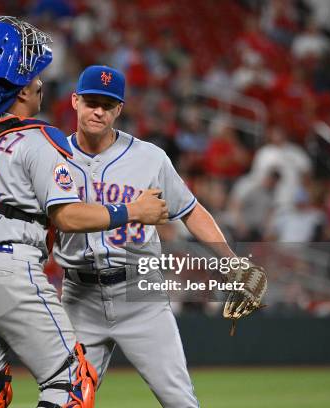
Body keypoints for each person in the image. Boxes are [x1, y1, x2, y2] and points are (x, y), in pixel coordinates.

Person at [0, 17, 168, 408]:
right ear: (21, 90)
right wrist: (132, 210)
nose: (40, 83)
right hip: (11, 272)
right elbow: (68, 218)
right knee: (72, 385)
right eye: (34, 77)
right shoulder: (39, 140)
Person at [54, 65, 261, 407]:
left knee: (179, 401)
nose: (99, 111)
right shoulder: (52, 155)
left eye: (108, 105)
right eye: (91, 102)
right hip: (79, 297)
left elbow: (191, 210)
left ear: (119, 109)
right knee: (66, 401)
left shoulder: (149, 158)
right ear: (75, 101)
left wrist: (231, 260)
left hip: (140, 294)